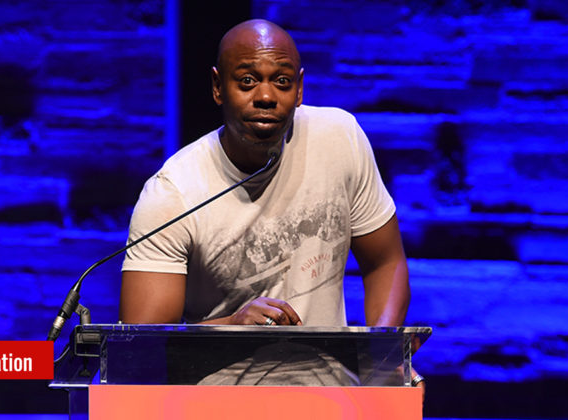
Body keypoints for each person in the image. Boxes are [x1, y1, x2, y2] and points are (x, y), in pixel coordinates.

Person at [120, 19, 409, 330]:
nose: (267, 97)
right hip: (219, 365)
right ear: (217, 87)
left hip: (328, 365)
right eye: (247, 81)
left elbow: (385, 264)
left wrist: (384, 350)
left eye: (282, 81)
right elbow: (144, 341)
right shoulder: (173, 192)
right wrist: (233, 327)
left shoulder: (339, 139)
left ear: (299, 89)